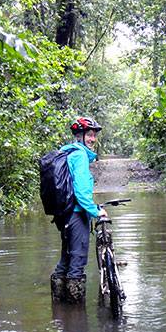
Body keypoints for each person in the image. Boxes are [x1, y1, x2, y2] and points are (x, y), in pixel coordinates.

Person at [51, 116, 108, 303]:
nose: (92, 139)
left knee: (65, 260)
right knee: (77, 262)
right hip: (76, 214)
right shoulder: (80, 156)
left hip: (63, 215)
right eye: (89, 135)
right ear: (79, 136)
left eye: (94, 135)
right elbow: (82, 192)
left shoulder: (66, 152)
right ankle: (76, 318)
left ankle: (59, 311)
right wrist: (96, 211)